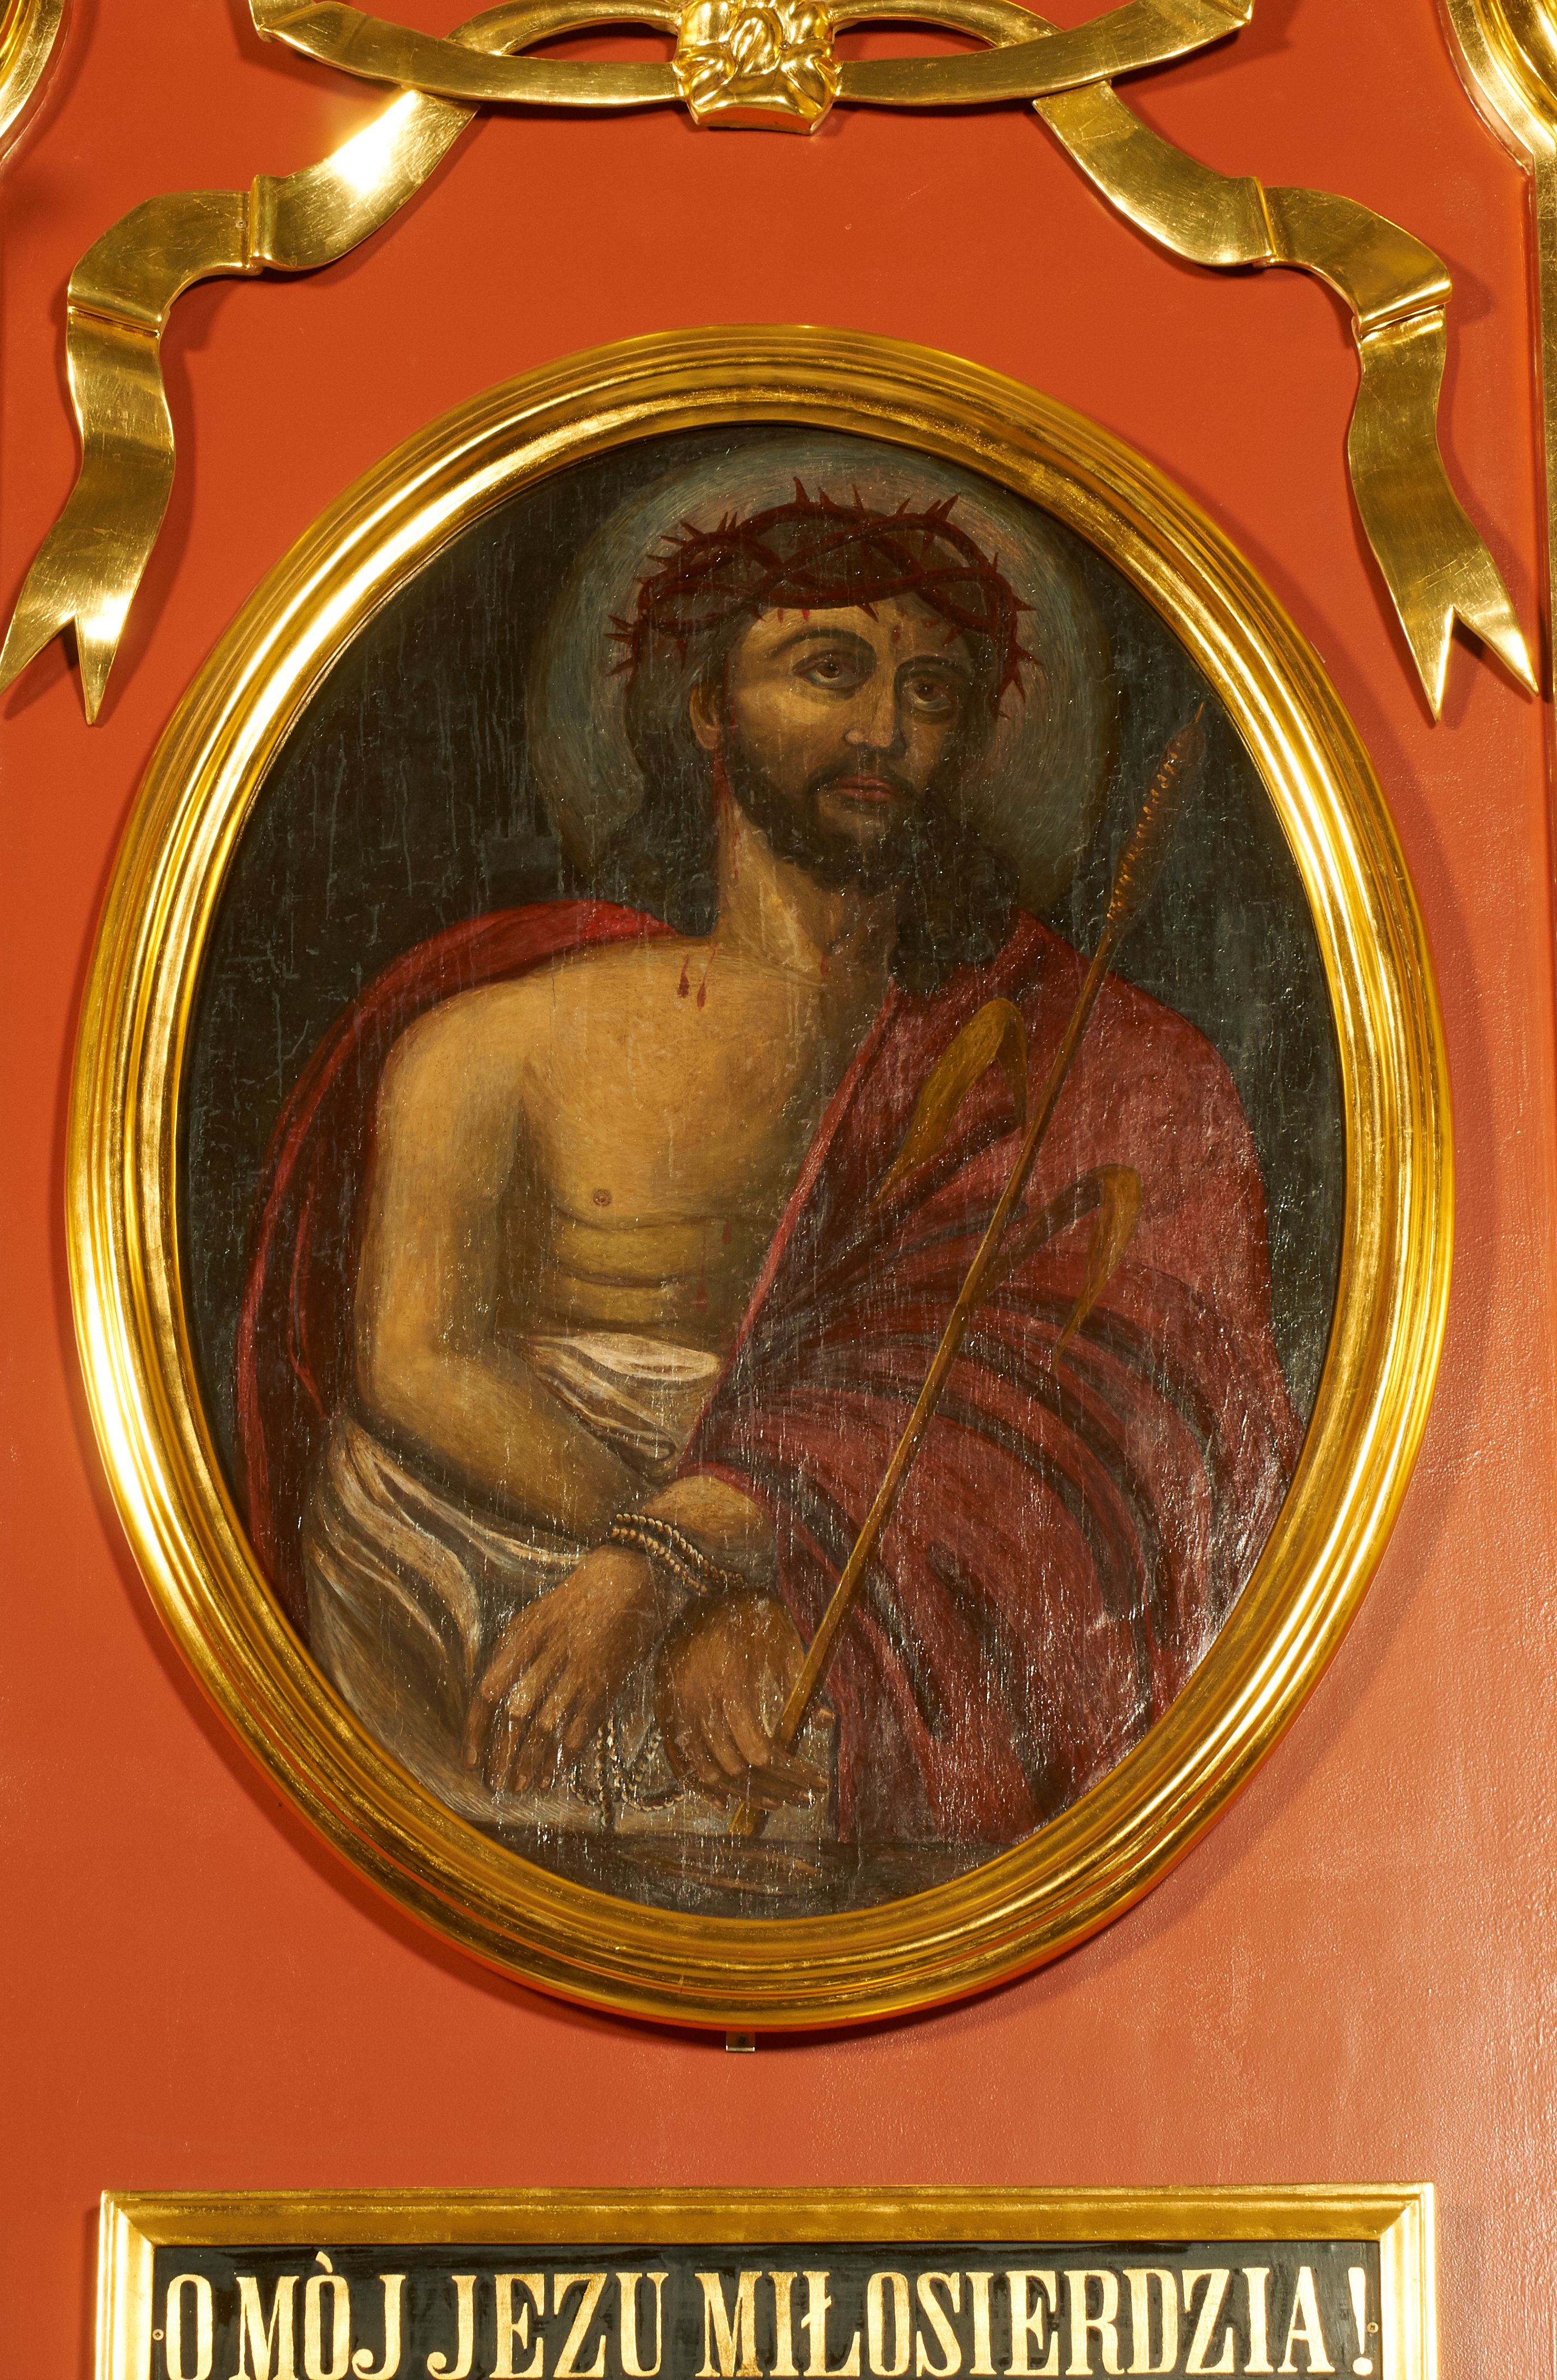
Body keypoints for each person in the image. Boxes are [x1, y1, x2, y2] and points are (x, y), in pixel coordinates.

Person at [238, 488, 1299, 1863]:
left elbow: (1111, 1387)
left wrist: (704, 1552)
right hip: (486, 1572)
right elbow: (414, 1357)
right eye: (827, 668)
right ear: (706, 709)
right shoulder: (494, 1041)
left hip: (860, 1595)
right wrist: (678, 1568)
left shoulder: (1063, 1064)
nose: (883, 729)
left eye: (929, 689)